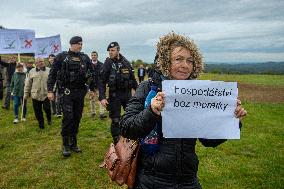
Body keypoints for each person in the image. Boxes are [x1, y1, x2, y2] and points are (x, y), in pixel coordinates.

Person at [120, 32, 247, 189]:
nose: (185, 65)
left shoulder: (196, 93)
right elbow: (126, 127)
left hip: (188, 180)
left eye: (190, 61)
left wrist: (233, 120)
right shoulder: (147, 88)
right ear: (165, 61)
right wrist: (151, 111)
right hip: (151, 180)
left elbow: (208, 140)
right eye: (178, 59)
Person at [47, 36, 96, 157]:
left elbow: (91, 74)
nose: (81, 46)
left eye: (81, 44)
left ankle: (73, 143)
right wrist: (50, 90)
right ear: (72, 44)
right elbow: (52, 74)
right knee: (68, 118)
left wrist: (92, 88)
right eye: (79, 44)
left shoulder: (84, 58)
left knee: (77, 118)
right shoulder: (62, 57)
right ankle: (65, 144)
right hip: (66, 92)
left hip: (79, 92)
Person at [98, 42, 137, 144]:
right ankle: (117, 142)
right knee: (115, 119)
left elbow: (133, 80)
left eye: (112, 50)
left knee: (131, 116)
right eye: (109, 51)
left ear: (118, 50)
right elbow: (101, 81)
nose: (110, 53)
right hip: (114, 95)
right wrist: (102, 97)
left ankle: (131, 138)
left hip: (127, 94)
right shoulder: (107, 63)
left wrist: (139, 92)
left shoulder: (126, 63)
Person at [24, 57, 51, 129]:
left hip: (46, 94)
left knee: (47, 108)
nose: (41, 62)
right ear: (36, 64)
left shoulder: (49, 70)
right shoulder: (31, 72)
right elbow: (28, 83)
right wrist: (26, 93)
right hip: (35, 95)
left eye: (42, 61)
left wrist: (52, 91)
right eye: (39, 61)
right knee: (37, 111)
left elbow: (52, 81)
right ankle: (41, 124)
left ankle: (49, 119)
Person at [89, 51, 106, 119]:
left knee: (101, 98)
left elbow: (103, 75)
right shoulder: (88, 64)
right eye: (92, 55)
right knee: (92, 99)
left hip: (100, 85)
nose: (93, 56)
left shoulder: (101, 64)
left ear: (97, 56)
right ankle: (93, 112)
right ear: (91, 56)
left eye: (95, 55)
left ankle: (101, 113)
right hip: (91, 85)